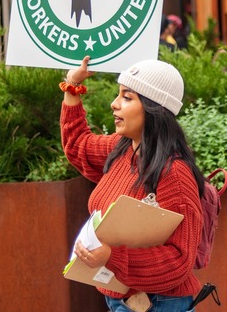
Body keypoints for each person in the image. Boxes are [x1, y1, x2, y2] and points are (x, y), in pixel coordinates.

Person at [60, 57, 205, 312]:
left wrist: (111, 257)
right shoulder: (123, 148)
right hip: (124, 298)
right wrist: (72, 85)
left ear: (153, 109)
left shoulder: (175, 175)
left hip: (158, 303)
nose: (114, 104)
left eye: (127, 98)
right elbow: (78, 146)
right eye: (119, 96)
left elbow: (179, 261)